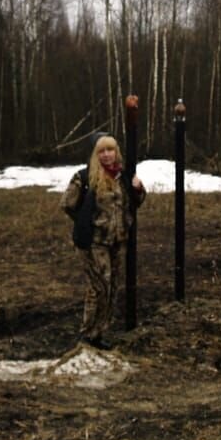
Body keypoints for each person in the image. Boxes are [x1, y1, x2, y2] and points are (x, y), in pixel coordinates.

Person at [61, 133, 145, 349]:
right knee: (99, 287)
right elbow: (67, 204)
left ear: (116, 152)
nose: (107, 155)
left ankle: (100, 333)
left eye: (110, 150)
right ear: (95, 154)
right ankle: (88, 334)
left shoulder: (123, 176)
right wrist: (86, 222)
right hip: (94, 243)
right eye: (102, 151)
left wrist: (138, 188)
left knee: (113, 286)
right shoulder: (85, 177)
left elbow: (136, 202)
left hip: (117, 241)